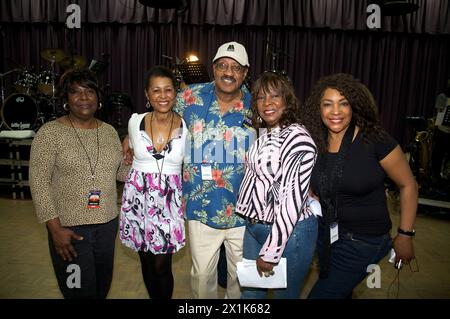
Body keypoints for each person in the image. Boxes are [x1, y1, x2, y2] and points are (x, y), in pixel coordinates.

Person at [305, 73, 418, 299]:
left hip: (365, 240)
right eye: (327, 104)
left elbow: (409, 185)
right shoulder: (315, 140)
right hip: (329, 235)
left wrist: (405, 235)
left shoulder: (374, 139)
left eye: (343, 103)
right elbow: (318, 180)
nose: (335, 112)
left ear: (354, 107)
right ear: (318, 109)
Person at [29, 69, 129, 299]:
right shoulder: (50, 133)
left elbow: (121, 173)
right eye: (76, 92)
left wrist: (136, 159)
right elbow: (39, 181)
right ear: (66, 99)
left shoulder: (109, 132)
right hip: (70, 229)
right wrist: (55, 229)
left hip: (106, 225)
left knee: (101, 289)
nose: (84, 98)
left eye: (89, 91)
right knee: (78, 292)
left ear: (98, 97)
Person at [174, 41, 253, 299]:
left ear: (245, 73)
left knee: (241, 276)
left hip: (244, 208)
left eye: (236, 68)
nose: (228, 72)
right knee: (201, 276)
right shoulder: (189, 98)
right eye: (223, 66)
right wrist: (135, 132)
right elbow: (161, 117)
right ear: (214, 68)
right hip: (201, 205)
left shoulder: (258, 105)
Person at [235, 71, 323, 299]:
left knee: (285, 296)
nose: (267, 103)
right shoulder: (264, 135)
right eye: (261, 98)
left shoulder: (298, 138)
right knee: (251, 296)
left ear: (287, 100)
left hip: (290, 233)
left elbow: (292, 202)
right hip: (254, 228)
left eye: (275, 96)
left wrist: (272, 250)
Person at [120, 66, 187, 299]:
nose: (163, 95)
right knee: (146, 259)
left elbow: (192, 166)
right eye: (156, 90)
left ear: (175, 93)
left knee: (161, 264)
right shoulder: (134, 121)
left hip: (169, 199)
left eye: (168, 90)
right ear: (147, 95)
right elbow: (129, 142)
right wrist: (126, 145)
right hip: (137, 198)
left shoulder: (187, 127)